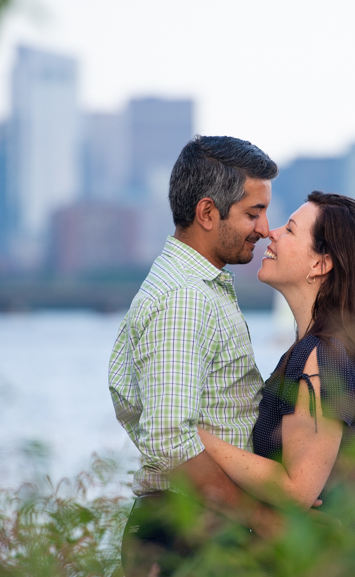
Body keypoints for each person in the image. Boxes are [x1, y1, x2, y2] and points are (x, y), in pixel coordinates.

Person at [108, 135, 284, 577]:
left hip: (198, 525)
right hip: (189, 531)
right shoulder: (185, 300)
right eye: (253, 213)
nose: (264, 229)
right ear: (207, 213)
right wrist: (263, 520)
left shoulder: (195, 288)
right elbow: (169, 439)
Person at [196, 191, 355, 542]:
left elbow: (298, 489)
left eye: (291, 230)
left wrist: (194, 436)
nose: (272, 233)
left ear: (320, 264)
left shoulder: (322, 356)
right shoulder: (322, 351)